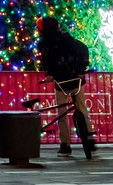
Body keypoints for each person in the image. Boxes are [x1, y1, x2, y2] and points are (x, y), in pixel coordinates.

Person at [36, 16, 96, 158]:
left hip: (61, 80)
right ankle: (89, 138)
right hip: (76, 77)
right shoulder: (67, 40)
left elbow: (48, 62)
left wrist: (50, 74)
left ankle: (65, 143)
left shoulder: (46, 44)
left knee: (61, 111)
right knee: (82, 108)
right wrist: (81, 69)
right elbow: (82, 49)